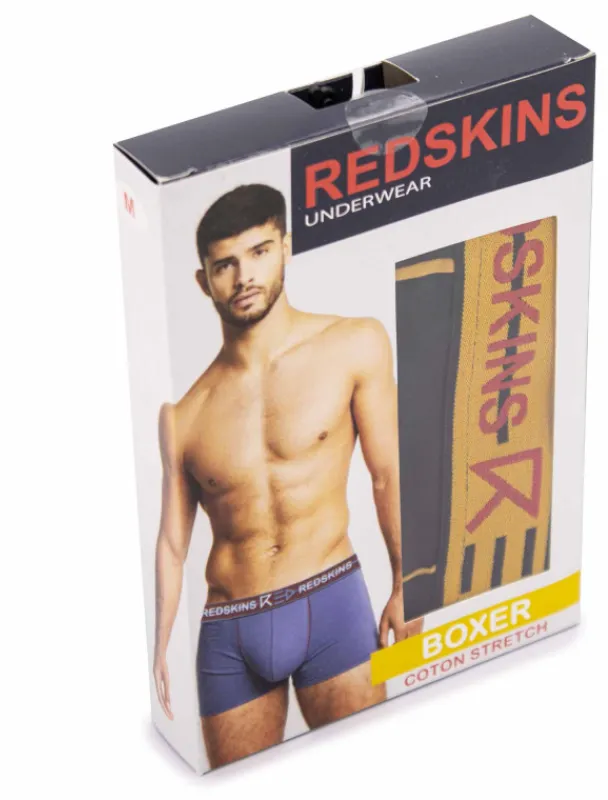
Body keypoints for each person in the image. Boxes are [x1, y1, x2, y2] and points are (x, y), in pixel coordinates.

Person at [152, 183, 420, 767]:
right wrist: (159, 648)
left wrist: (409, 583)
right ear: (203, 281)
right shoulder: (183, 416)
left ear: (287, 249)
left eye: (259, 252)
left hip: (331, 601)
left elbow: (388, 473)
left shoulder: (354, 344)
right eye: (224, 264)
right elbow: (173, 544)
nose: (243, 276)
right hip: (229, 630)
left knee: (367, 771)